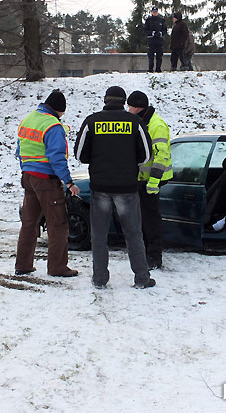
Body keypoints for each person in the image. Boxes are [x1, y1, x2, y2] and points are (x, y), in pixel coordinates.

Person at [74, 86, 156, 289]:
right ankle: (142, 278)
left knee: (99, 236)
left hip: (100, 186)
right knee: (134, 234)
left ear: (105, 100)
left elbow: (79, 155)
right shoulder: (135, 121)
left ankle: (100, 279)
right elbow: (146, 155)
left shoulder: (92, 121)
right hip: (127, 187)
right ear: (123, 101)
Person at [15, 90, 80, 278]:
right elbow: (57, 158)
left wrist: (26, 170)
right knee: (57, 224)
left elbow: (20, 150)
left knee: (29, 223)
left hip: (28, 177)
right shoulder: (53, 126)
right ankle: (57, 267)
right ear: (59, 110)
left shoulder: (27, 120)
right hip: (46, 181)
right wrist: (68, 182)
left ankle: (23, 265)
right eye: (62, 113)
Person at [126, 91, 173, 270]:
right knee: (142, 219)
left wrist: (153, 182)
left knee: (151, 219)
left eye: (129, 106)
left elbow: (162, 156)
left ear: (137, 108)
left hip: (152, 180)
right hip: (142, 179)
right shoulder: (140, 122)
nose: (127, 109)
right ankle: (146, 254)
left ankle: (154, 258)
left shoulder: (156, 125)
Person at [144, 6, 167, 73]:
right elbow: (145, 30)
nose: (155, 13)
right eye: (153, 12)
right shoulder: (148, 20)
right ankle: (150, 69)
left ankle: (158, 69)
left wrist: (160, 33)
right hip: (151, 41)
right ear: (151, 12)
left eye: (156, 12)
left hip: (159, 41)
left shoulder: (161, 20)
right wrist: (152, 33)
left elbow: (165, 30)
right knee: (151, 56)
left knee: (159, 56)